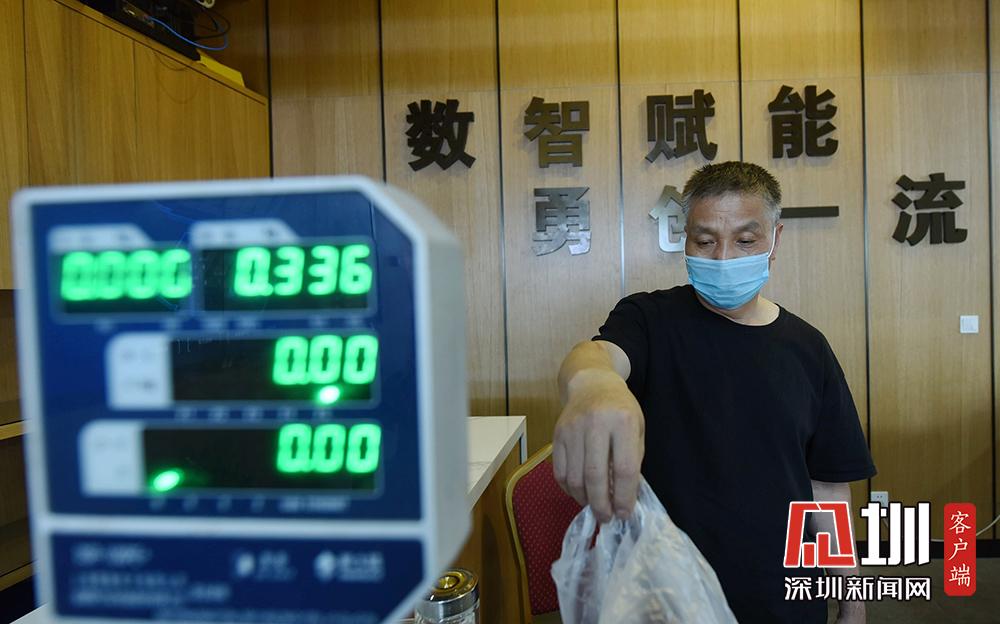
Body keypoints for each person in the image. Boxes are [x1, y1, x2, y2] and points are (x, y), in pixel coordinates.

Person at [553, 161, 876, 624]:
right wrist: (593, 384)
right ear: (684, 240)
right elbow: (597, 356)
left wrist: (852, 596)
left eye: (745, 240)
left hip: (784, 593)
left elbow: (827, 488)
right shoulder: (649, 320)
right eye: (705, 241)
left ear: (775, 240)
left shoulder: (808, 349)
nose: (723, 258)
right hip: (666, 593)